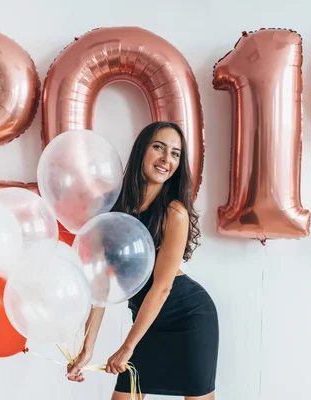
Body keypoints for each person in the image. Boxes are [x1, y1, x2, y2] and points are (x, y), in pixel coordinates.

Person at [66, 121, 219, 399]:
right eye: (158, 147)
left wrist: (127, 346)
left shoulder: (175, 212)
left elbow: (161, 287)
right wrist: (87, 348)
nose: (166, 159)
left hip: (188, 318)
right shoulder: (112, 209)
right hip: (146, 321)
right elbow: (102, 285)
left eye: (175, 154)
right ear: (141, 151)